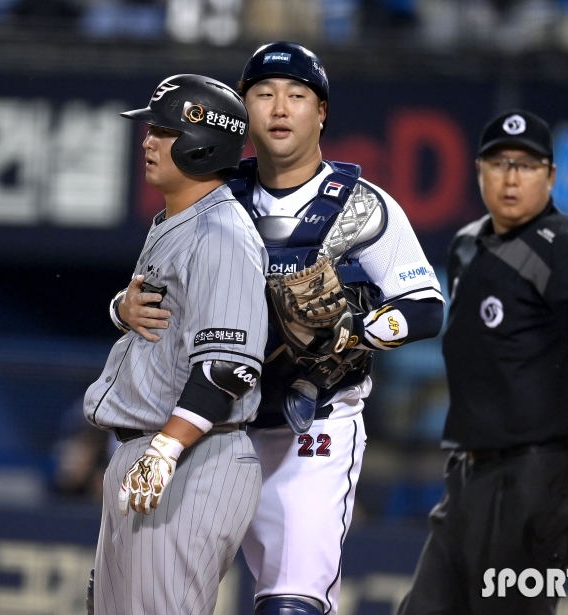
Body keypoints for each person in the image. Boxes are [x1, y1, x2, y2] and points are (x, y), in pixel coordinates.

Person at [118, 42, 445, 615]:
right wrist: (122, 307)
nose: (279, 107)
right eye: (264, 94)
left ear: (321, 113)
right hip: (215, 430)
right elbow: (149, 290)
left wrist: (355, 330)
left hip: (309, 431)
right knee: (154, 600)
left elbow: (425, 304)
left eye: (297, 96)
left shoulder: (361, 206)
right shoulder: (210, 197)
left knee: (290, 606)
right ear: (244, 111)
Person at [397, 110, 568, 615]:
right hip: (466, 475)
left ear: (550, 176)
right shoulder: (465, 246)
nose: (510, 176)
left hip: (536, 479)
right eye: (499, 162)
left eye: (526, 165)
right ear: (479, 171)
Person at [84, 74, 268, 615]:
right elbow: (158, 315)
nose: (146, 141)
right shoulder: (180, 219)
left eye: (162, 130)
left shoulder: (221, 234)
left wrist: (165, 449)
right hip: (152, 451)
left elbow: (229, 368)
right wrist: (121, 307)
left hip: (191, 458)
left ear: (202, 143)